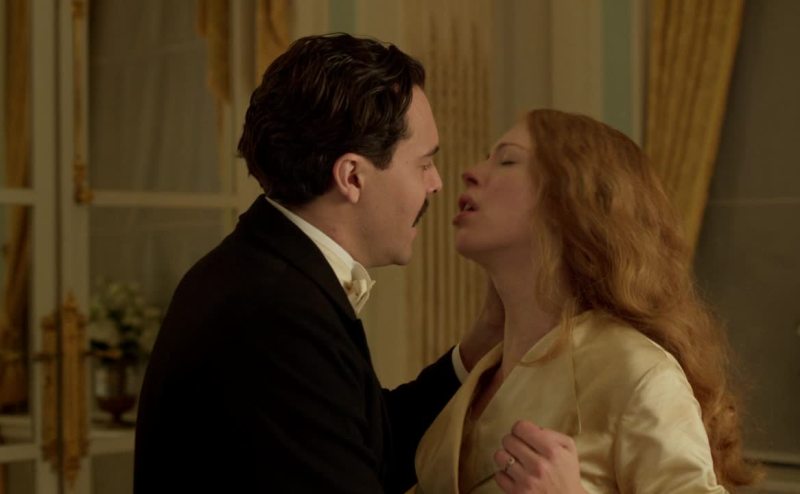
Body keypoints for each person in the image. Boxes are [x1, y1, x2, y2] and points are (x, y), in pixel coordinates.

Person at [133, 33, 505, 493]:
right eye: (423, 164)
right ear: (352, 177)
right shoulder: (275, 313)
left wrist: (476, 348)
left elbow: (363, 445)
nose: (437, 184)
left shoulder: (265, 273)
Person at [414, 109, 761, 493]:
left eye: (507, 160)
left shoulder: (635, 370)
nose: (470, 172)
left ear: (573, 201)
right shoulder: (475, 380)